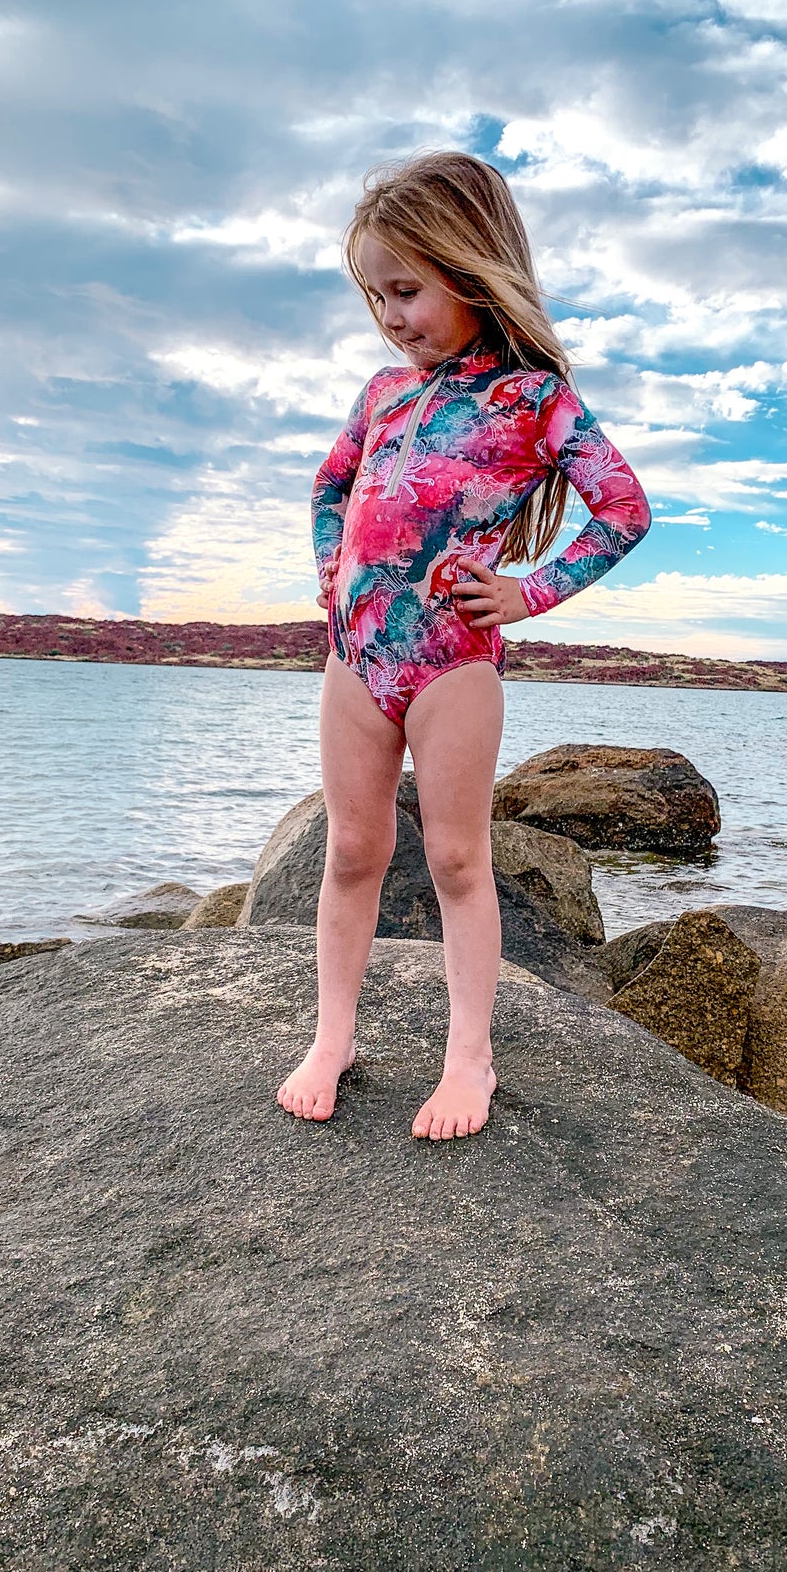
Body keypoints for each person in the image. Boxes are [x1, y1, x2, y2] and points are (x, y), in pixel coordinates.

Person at [277, 151, 651, 1141]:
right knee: (352, 848)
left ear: (469, 268)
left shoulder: (533, 401)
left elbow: (621, 510)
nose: (390, 316)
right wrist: (332, 579)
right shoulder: (381, 397)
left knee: (453, 858)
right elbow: (327, 489)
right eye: (373, 296)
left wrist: (527, 592)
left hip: (453, 663)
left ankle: (469, 1057)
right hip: (356, 659)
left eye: (404, 290)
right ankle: (333, 1036)